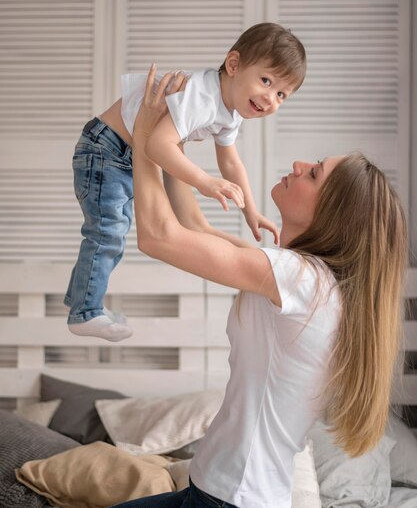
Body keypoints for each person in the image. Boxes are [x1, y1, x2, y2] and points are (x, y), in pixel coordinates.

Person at [110, 67, 408, 508]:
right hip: (222, 493)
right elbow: (194, 227)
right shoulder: (304, 277)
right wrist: (169, 143)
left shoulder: (299, 278)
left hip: (230, 499)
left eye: (314, 175)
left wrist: (143, 134)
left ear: (332, 215)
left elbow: (157, 236)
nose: (299, 165)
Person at [64, 23, 306, 341]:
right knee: (108, 231)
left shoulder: (229, 112)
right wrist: (205, 182)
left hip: (124, 152)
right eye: (266, 81)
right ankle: (84, 311)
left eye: (281, 95)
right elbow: (158, 146)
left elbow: (231, 161)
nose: (270, 98)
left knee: (111, 230)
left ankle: (83, 300)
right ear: (234, 65)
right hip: (106, 148)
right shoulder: (202, 97)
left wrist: (251, 210)